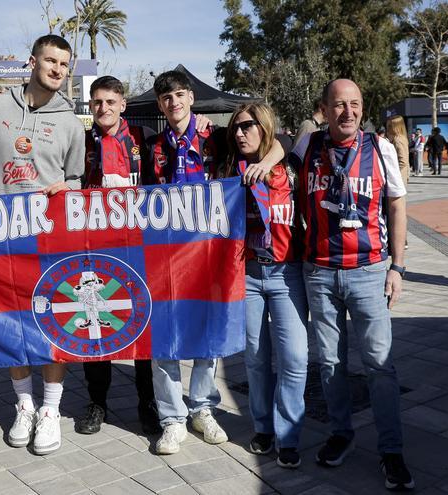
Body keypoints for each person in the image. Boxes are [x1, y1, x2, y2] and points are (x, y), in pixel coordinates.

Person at [147, 69, 286, 455]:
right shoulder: (153, 145)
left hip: (211, 253)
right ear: (159, 105)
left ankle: (202, 408)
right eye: (165, 99)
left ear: (191, 97)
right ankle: (171, 419)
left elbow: (280, 142)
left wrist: (267, 162)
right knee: (164, 336)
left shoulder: (217, 137)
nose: (173, 103)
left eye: (178, 95)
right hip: (165, 256)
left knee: (208, 333)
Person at [290, 79, 413, 491]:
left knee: (380, 364)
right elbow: (274, 153)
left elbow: (397, 205)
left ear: (363, 108)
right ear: (323, 109)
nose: (348, 112)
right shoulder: (307, 147)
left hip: (370, 271)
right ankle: (340, 433)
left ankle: (391, 450)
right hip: (320, 273)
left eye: (355, 104)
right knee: (330, 364)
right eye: (338, 104)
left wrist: (399, 266)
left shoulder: (380, 149)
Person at [0, 34, 85, 455]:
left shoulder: (71, 122)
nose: (57, 69)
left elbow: (77, 181)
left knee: (55, 324)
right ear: (32, 62)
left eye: (64, 65)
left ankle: (51, 411)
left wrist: (66, 187)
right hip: (3, 238)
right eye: (50, 61)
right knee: (12, 324)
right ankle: (24, 404)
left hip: (52, 240)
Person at [217, 102, 307, 469]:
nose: (239, 133)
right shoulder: (227, 168)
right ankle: (264, 429)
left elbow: (295, 134)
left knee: (295, 358)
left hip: (287, 275)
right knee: (255, 359)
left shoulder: (291, 167)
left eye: (247, 126)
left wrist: (269, 162)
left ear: (264, 126)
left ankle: (289, 435)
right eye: (235, 128)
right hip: (249, 276)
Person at [74, 75, 161, 435]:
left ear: (122, 104)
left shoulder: (144, 139)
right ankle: (98, 403)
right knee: (96, 325)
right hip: (93, 249)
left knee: (142, 325)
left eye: (110, 101)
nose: (104, 108)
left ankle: (147, 402)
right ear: (90, 106)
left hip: (138, 248)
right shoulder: (80, 142)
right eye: (97, 102)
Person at [386, 116, 409, 185]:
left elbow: (403, 161)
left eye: (389, 126)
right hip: (401, 175)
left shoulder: (398, 140)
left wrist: (392, 173)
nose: (388, 128)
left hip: (398, 178)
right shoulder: (401, 137)